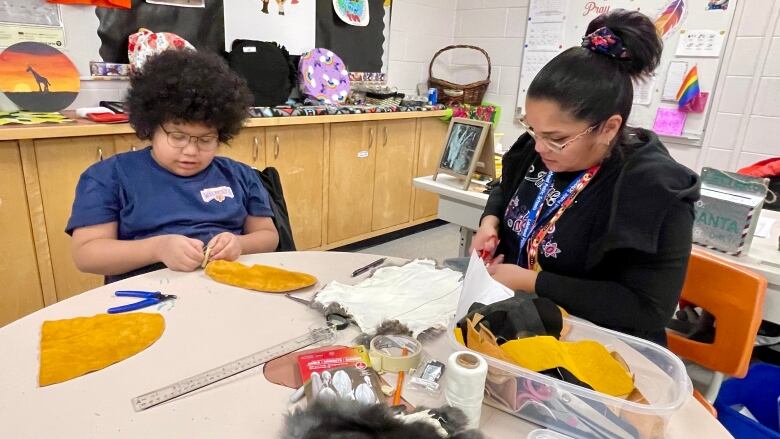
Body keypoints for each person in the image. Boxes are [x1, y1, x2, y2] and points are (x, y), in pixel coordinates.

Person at [472, 9, 700, 344]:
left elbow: (647, 307)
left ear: (609, 128)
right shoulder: (536, 150)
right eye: (532, 128)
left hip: (601, 346)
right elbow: (505, 190)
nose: (539, 147)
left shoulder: (651, 190)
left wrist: (531, 282)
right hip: (520, 325)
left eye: (557, 138)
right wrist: (490, 222)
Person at [67, 49, 279, 283]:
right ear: (151, 128)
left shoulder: (239, 175)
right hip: (146, 296)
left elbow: (268, 236)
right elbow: (86, 254)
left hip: (228, 287)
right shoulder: (108, 177)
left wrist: (239, 244)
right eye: (178, 136)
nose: (191, 150)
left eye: (206, 140)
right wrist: (158, 248)